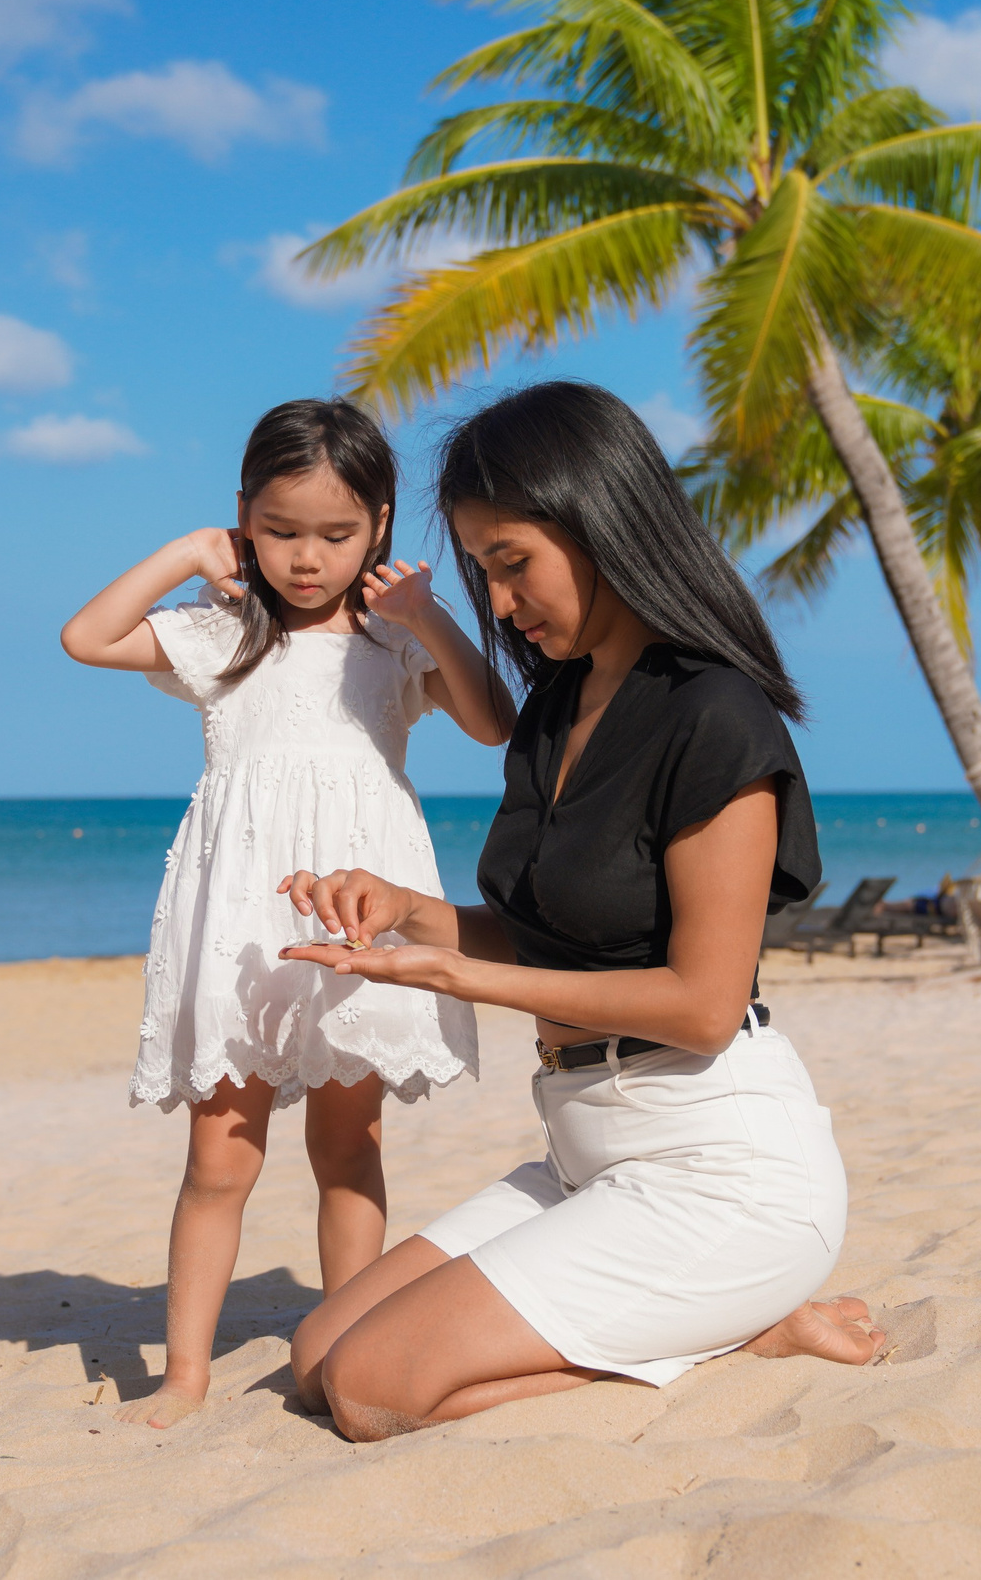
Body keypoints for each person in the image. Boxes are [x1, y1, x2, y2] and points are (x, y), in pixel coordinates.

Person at [274, 381, 882, 1443]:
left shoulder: (712, 714)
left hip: (718, 1169)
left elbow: (702, 1007)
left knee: (373, 1390)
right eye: (482, 570)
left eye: (512, 562)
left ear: (600, 521)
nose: (501, 601)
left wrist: (459, 976)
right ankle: (703, 1323)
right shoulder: (557, 707)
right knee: (318, 1353)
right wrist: (408, 912)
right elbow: (548, 938)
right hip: (585, 1152)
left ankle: (745, 1329)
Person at [58, 396, 511, 1428]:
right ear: (244, 521)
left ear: (379, 526)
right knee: (220, 1156)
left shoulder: (395, 644)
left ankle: (349, 1345)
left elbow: (495, 723)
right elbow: (87, 637)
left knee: (349, 1150)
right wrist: (189, 553)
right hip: (240, 925)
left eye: (337, 534)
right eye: (280, 530)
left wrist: (427, 615)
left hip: (359, 914)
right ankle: (184, 1373)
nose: (307, 558)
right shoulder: (223, 637)